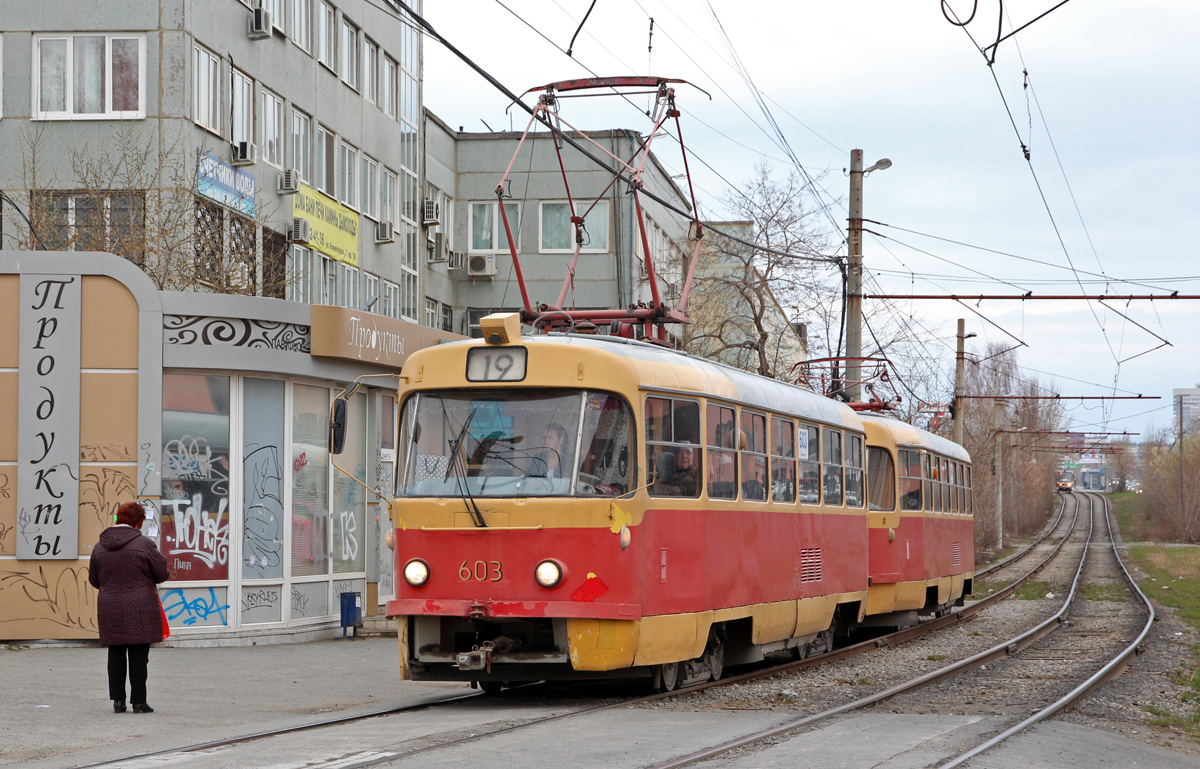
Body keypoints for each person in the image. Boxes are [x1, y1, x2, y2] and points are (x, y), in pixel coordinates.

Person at [89, 501, 170, 714]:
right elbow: (162, 573)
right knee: (138, 655)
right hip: (140, 607)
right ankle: (139, 702)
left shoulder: (100, 546)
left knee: (115, 653)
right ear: (139, 521)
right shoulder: (144, 544)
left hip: (110, 606)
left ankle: (118, 701)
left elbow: (94, 579)